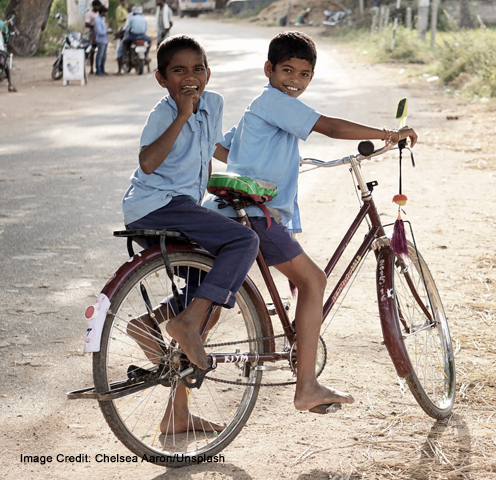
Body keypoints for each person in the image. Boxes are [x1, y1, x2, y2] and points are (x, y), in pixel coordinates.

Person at [203, 31, 418, 414]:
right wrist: (390, 134)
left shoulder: (259, 109)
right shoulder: (275, 101)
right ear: (268, 69)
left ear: (311, 77)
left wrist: (268, 160)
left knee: (213, 298)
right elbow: (331, 128)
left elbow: (224, 149)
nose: (295, 80)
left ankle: (155, 326)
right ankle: (307, 386)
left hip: (236, 212)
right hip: (256, 215)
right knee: (313, 280)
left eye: (304, 74)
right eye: (287, 70)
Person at [122, 35, 260, 432]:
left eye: (197, 69)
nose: (190, 77)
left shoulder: (213, 104)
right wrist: (182, 114)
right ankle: (183, 326)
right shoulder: (163, 113)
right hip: (157, 204)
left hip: (182, 207)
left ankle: (151, 325)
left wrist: (253, 168)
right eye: (178, 71)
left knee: (211, 278)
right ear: (161, 79)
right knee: (243, 241)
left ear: (208, 73)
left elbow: (213, 146)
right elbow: (148, 163)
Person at [84, 0, 102, 74]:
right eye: (97, 6)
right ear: (94, 6)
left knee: (100, 51)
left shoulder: (99, 13)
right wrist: (95, 25)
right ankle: (91, 68)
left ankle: (99, 68)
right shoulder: (89, 14)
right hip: (93, 33)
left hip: (99, 33)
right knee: (92, 51)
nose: (98, 7)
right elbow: (87, 24)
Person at [0, 18, 17, 92]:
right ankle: (10, 85)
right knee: (6, 64)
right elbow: (6, 38)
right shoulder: (3, 23)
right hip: (0, 49)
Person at [113, 0, 128, 74]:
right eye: (123, 1)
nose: (124, 2)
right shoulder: (119, 9)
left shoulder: (125, 8)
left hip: (126, 28)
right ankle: (120, 57)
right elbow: (118, 18)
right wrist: (125, 19)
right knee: (121, 46)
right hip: (121, 28)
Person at [94, 6, 109, 76]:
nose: (105, 14)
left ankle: (102, 69)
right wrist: (106, 32)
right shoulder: (97, 20)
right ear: (102, 12)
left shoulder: (102, 20)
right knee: (100, 56)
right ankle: (98, 70)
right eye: (105, 12)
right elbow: (99, 32)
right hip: (101, 40)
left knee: (104, 56)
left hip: (105, 40)